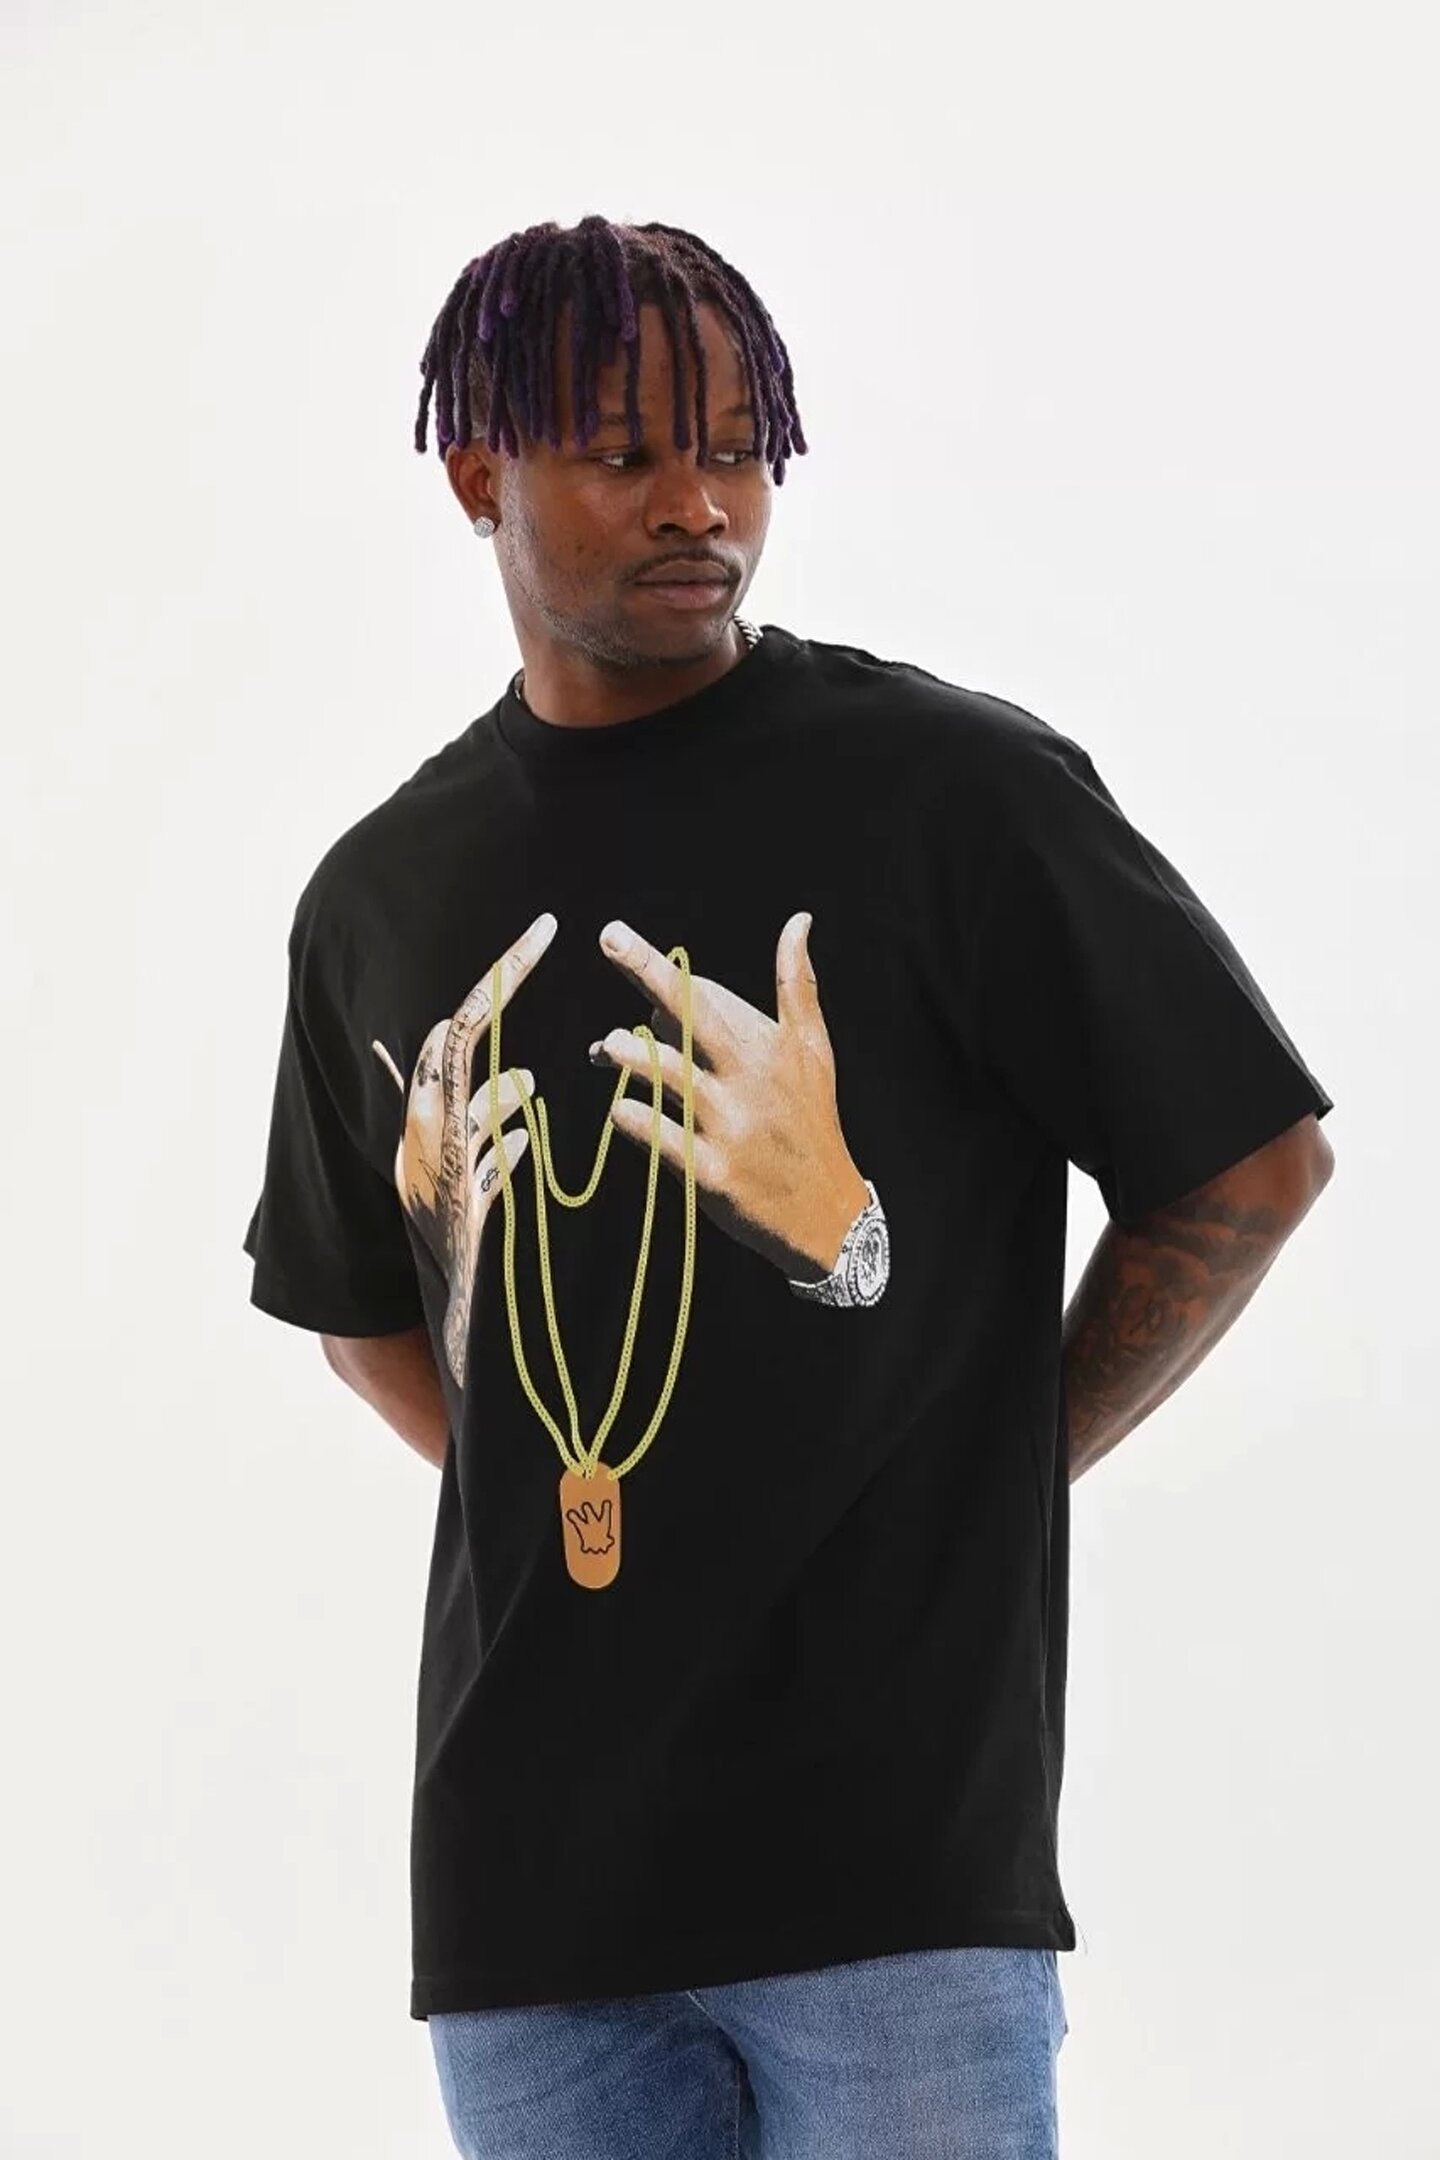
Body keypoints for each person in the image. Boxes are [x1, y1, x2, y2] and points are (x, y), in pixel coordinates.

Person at [241, 213, 1336, 2160]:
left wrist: (960, 1421)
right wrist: (573, 1441)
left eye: (741, 449)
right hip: (526, 1898)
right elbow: (359, 1314)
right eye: (626, 452)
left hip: (890, 1870)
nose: (703, 506)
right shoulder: (382, 894)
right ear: (479, 473)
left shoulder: (951, 795)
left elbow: (1248, 1161)